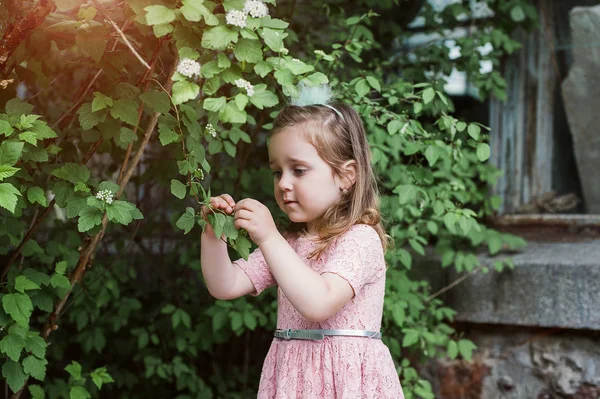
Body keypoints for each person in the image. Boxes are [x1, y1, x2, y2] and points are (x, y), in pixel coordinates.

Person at [200, 85, 405, 398]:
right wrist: (213, 235)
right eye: (276, 171)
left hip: (346, 383)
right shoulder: (289, 242)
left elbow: (319, 303)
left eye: (298, 170)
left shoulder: (360, 239)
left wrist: (269, 237)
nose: (283, 183)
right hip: (293, 381)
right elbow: (225, 285)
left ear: (346, 176)